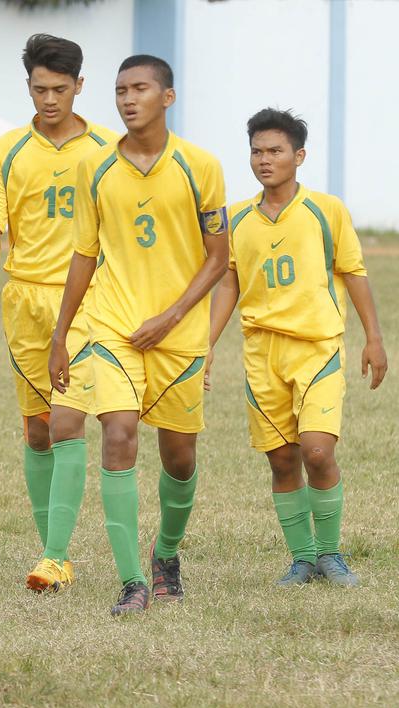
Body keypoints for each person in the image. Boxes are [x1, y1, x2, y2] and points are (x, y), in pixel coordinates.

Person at [49, 55, 228, 616]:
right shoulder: (96, 168)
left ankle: (166, 553)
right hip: (114, 328)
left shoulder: (201, 166)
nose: (128, 99)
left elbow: (219, 258)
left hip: (178, 336)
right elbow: (84, 254)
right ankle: (132, 582)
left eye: (141, 89)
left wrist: (172, 316)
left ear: (167, 97)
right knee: (119, 435)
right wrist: (61, 336)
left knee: (178, 458)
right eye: (121, 90)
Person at [208, 108, 387, 587]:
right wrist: (205, 345)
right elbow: (228, 284)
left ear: (299, 156)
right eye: (257, 151)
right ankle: (302, 558)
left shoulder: (326, 210)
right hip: (262, 354)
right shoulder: (237, 219)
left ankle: (330, 553)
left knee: (317, 452)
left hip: (318, 348)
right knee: (282, 459)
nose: (264, 160)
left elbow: (353, 273)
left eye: (275, 151)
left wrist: (373, 338)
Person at [0, 34, 118, 593]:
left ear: (80, 86)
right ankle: (50, 547)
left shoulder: (107, 147)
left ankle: (54, 559)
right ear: (27, 86)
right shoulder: (7, 149)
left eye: (60, 89)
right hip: (24, 299)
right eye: (39, 89)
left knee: (67, 421)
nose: (49, 99)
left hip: (86, 299)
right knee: (36, 430)